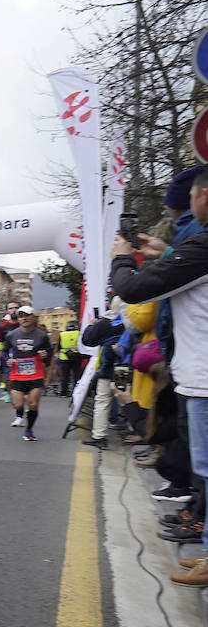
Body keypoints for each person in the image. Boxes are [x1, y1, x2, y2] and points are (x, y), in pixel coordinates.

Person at [111, 165, 208, 585]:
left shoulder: (204, 245)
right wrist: (163, 253)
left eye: (191, 198)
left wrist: (121, 258)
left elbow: (135, 291)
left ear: (203, 197)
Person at [3, 307, 54, 441]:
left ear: (33, 317)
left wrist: (45, 356)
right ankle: (20, 414)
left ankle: (29, 430)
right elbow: (4, 351)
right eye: (21, 316)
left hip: (35, 374)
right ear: (18, 319)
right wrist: (8, 360)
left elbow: (49, 355)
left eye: (27, 315)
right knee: (18, 404)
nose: (24, 318)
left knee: (33, 404)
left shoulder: (41, 335)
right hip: (17, 374)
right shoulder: (11, 335)